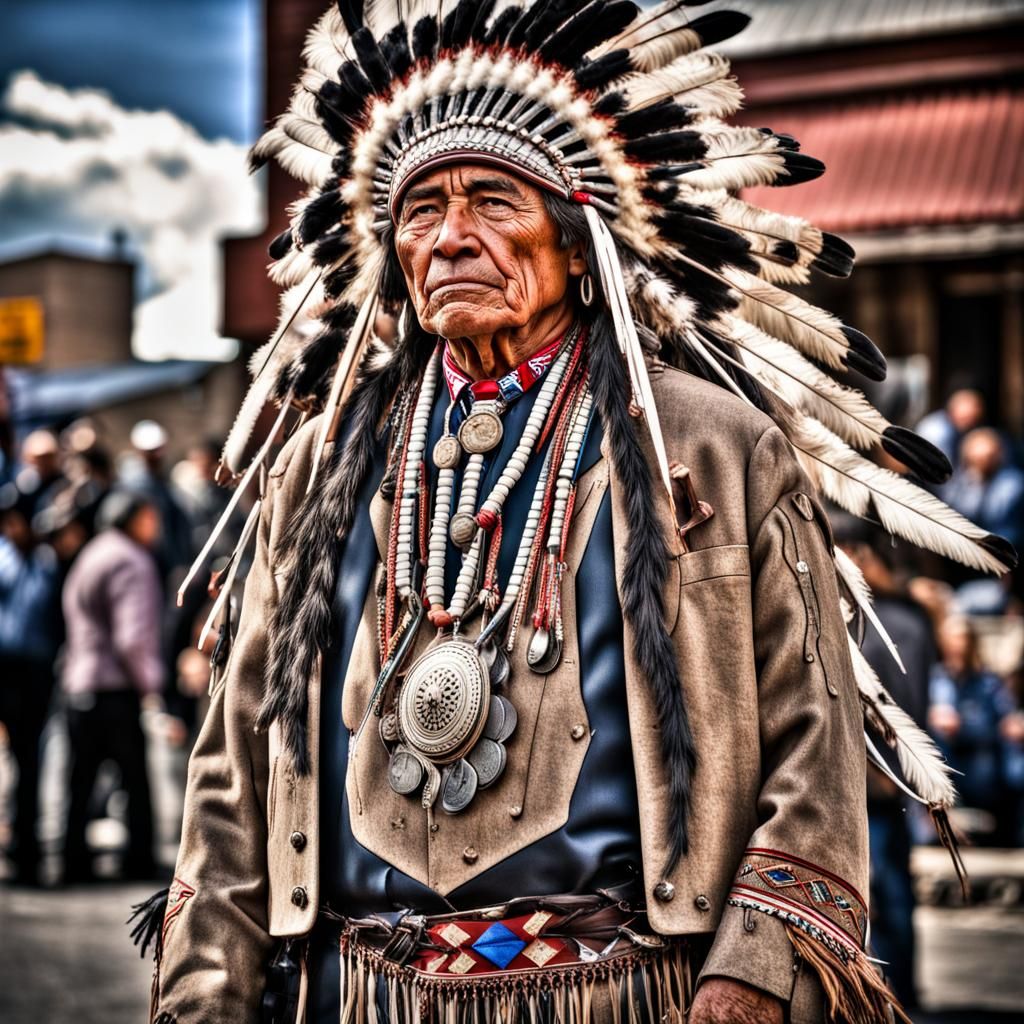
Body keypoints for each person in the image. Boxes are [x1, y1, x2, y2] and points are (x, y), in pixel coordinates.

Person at [142, 4, 1015, 1023]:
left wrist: (749, 978)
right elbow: (234, 780)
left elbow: (809, 752)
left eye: (490, 200)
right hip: (358, 997)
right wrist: (201, 993)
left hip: (629, 995)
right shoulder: (319, 468)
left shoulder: (711, 450)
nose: (449, 236)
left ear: (574, 239)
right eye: (420, 211)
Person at [61, 490, 164, 883]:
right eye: (150, 518)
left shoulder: (93, 552)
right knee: (135, 781)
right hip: (114, 688)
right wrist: (150, 686)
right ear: (133, 519)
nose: (155, 527)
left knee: (80, 781)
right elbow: (132, 638)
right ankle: (137, 861)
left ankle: (73, 862)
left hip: (78, 683)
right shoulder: (130, 560)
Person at [0, 478, 61, 885]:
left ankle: (27, 850)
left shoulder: (46, 562)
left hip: (35, 673)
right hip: (4, 668)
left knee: (30, 759)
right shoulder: (3, 559)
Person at [929, 616, 1017, 841]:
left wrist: (965, 724)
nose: (957, 645)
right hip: (943, 751)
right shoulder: (936, 677)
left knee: (986, 767)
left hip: (978, 751)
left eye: (962, 639)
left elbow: (1003, 723)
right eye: (952, 639)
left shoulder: (987, 682)